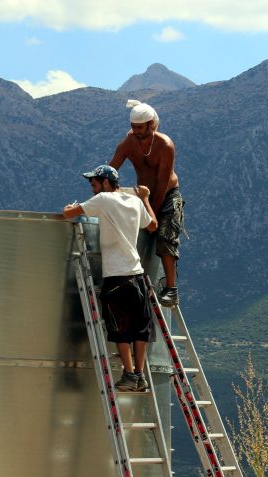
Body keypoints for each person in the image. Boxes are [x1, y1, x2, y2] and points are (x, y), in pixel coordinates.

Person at [63, 164, 158, 392]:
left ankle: (128, 374)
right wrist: (145, 198)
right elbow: (152, 225)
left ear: (106, 182)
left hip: (116, 277)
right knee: (140, 329)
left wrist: (72, 207)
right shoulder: (134, 201)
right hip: (137, 275)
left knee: (121, 329)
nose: (92, 188)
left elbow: (68, 214)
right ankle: (140, 375)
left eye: (94, 183)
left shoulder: (103, 199)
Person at [109, 99, 185, 307]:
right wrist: (103, 187)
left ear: (152, 125)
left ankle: (171, 289)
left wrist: (155, 214)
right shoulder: (128, 143)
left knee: (164, 236)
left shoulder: (165, 145)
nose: (136, 131)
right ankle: (129, 283)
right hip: (142, 196)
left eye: (140, 127)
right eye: (133, 127)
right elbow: (112, 168)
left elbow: (162, 182)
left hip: (167, 195)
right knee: (131, 237)